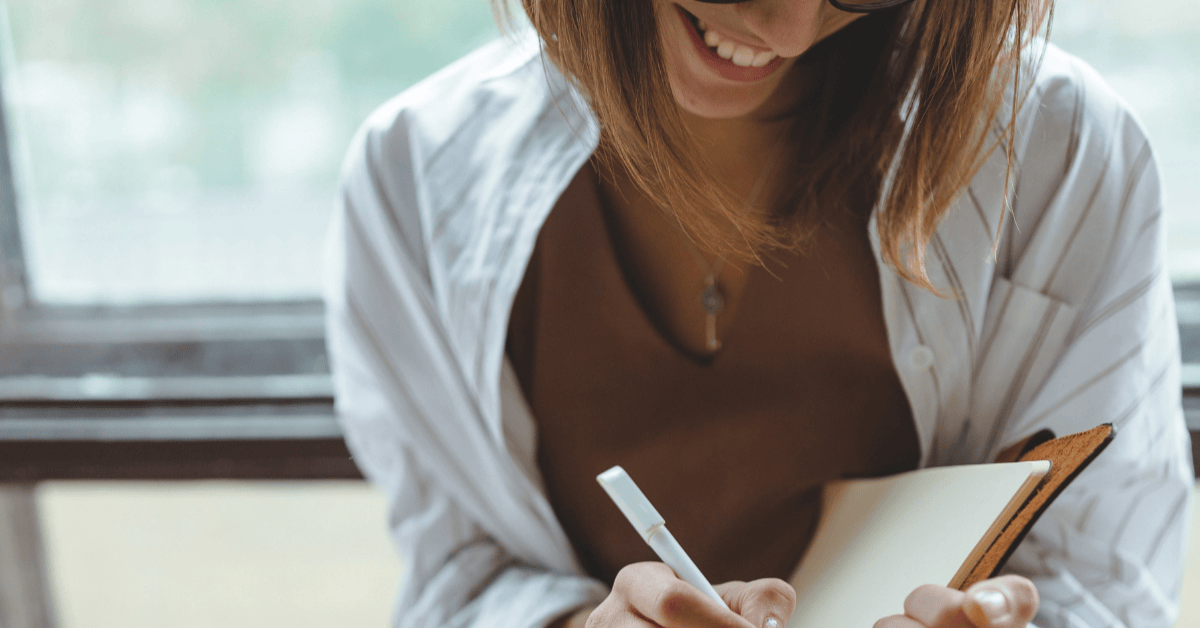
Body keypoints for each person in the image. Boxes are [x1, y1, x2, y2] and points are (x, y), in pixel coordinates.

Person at [323, 0, 1194, 626]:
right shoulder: (414, 179)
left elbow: (1107, 579)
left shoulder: (1060, 154)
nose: (788, 27)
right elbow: (459, 580)